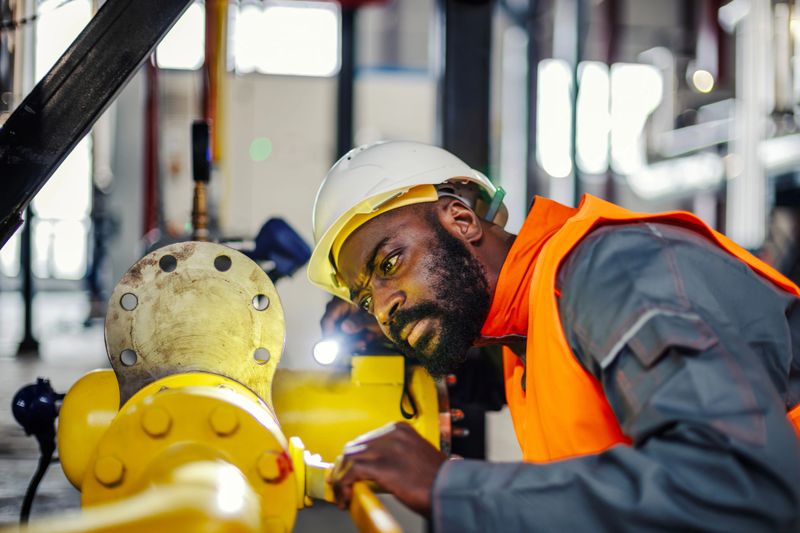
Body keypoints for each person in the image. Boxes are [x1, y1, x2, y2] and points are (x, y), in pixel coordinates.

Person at [307, 140, 800, 532]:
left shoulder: (616, 272)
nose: (386, 305)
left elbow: (738, 483)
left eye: (390, 263)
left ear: (460, 219)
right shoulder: (526, 327)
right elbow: (536, 386)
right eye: (367, 297)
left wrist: (449, 485)